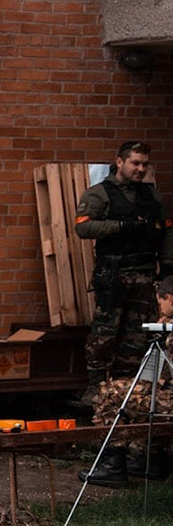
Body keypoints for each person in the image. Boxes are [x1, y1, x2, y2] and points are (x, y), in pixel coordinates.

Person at [75, 141, 172, 406]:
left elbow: (167, 232)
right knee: (104, 333)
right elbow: (83, 227)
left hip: (144, 275)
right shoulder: (99, 194)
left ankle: (124, 389)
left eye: (144, 164)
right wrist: (120, 226)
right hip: (113, 275)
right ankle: (96, 388)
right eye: (135, 163)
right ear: (120, 162)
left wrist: (167, 267)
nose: (140, 169)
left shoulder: (153, 197)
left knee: (137, 335)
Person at [81, 275, 173, 487]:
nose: (160, 309)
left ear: (169, 298)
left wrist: (163, 335)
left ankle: (113, 466)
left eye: (161, 304)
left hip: (170, 398)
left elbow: (163, 370)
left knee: (109, 393)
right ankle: (149, 458)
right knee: (140, 393)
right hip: (167, 392)